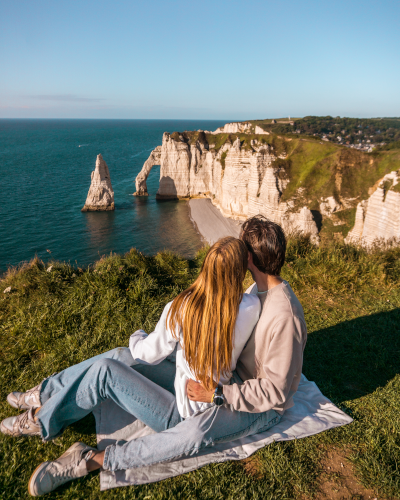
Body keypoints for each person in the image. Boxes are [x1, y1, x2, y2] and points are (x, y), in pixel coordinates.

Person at [2, 236, 267, 496]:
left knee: (108, 368)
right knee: (119, 356)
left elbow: (147, 354)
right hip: (203, 396)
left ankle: (41, 419)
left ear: (206, 267)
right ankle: (45, 393)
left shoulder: (183, 307)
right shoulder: (251, 306)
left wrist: (137, 335)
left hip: (180, 416)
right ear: (238, 272)